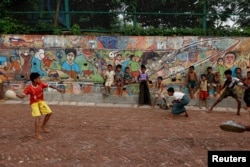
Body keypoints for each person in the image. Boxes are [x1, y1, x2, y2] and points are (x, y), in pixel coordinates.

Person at [16, 72, 64, 139]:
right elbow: (22, 96)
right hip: (34, 103)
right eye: (38, 78)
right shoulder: (29, 88)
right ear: (35, 80)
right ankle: (36, 134)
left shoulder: (41, 84)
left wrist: (57, 89)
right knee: (38, 116)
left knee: (49, 113)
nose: (40, 79)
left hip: (41, 101)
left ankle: (43, 127)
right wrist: (16, 94)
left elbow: (49, 85)